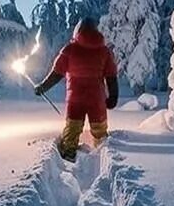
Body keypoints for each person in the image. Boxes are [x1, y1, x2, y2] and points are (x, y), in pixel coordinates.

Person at [35, 17, 118, 162]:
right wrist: (113, 97)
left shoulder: (69, 50)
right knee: (100, 132)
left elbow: (56, 74)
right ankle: (102, 157)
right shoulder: (104, 52)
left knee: (72, 130)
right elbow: (111, 76)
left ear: (78, 30)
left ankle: (68, 154)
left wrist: (43, 87)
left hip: (75, 100)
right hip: (97, 100)